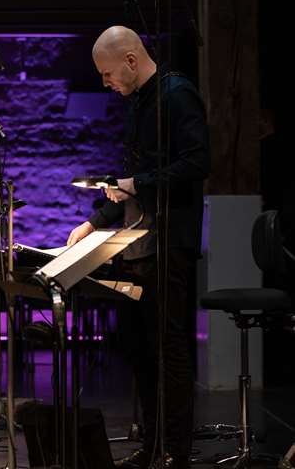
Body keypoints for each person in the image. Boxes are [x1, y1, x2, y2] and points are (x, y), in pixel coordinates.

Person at [66, 26, 209, 469]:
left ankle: (174, 452)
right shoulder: (139, 103)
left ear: (130, 60)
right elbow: (132, 179)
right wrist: (95, 220)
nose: (106, 82)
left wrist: (137, 184)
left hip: (169, 242)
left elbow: (197, 162)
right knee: (140, 346)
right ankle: (151, 445)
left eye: (108, 74)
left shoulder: (176, 95)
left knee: (168, 347)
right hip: (137, 241)